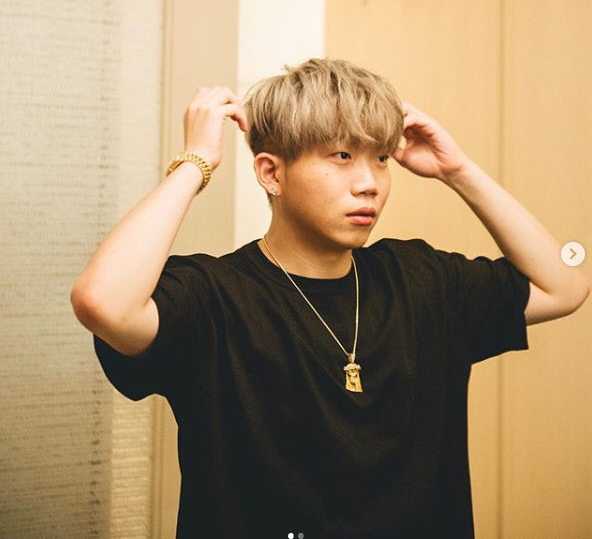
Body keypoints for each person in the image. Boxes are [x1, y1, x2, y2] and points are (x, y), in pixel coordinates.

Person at [70, 57, 589, 539]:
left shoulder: (422, 279)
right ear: (271, 173)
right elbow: (102, 303)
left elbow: (565, 284)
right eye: (342, 156)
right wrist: (196, 162)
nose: (369, 184)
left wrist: (459, 171)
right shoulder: (213, 297)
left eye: (380, 158)